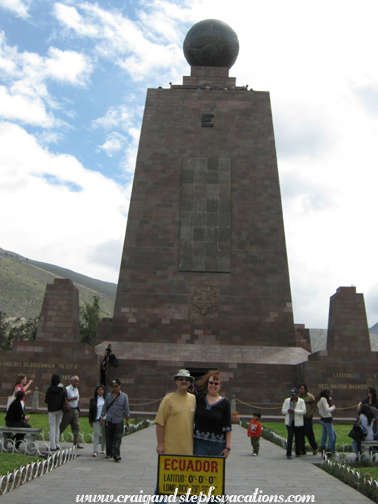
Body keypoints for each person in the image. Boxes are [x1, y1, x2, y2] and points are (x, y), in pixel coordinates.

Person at [155, 369, 196, 455]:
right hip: (170, 448)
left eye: (187, 379)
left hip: (187, 449)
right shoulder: (168, 399)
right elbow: (160, 423)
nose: (184, 381)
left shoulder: (193, 399)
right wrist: (160, 444)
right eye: (181, 379)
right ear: (176, 381)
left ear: (190, 382)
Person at [193, 370, 232, 458]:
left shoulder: (225, 403)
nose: (213, 385)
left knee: (215, 471)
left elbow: (228, 426)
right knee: (199, 470)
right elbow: (184, 397)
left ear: (220, 385)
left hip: (218, 445)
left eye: (216, 383)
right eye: (211, 383)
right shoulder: (199, 398)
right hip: (200, 443)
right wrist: (172, 396)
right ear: (207, 384)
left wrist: (227, 447)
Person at [100, 378, 130, 462]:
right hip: (109, 420)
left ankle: (116, 454)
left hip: (119, 420)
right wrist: (102, 416)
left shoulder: (124, 396)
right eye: (113, 386)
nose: (114, 388)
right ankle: (109, 453)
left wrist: (127, 419)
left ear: (120, 386)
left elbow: (126, 408)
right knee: (109, 437)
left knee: (117, 438)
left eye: (116, 386)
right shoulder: (108, 396)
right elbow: (105, 406)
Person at [282, 388, 306, 459]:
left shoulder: (301, 401)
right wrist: (288, 411)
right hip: (289, 421)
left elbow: (304, 411)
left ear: (297, 394)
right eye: (292, 395)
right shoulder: (287, 401)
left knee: (298, 437)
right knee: (290, 436)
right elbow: (283, 410)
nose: (293, 396)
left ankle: (297, 451)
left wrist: (295, 411)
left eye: (294, 395)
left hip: (298, 421)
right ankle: (288, 452)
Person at [59, 376, 83, 449]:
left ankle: (76, 443)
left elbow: (77, 398)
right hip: (68, 410)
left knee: (76, 427)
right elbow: (65, 399)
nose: (76, 383)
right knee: (62, 426)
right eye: (75, 381)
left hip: (75, 410)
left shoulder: (76, 389)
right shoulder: (67, 389)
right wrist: (71, 399)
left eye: (77, 382)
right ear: (71, 381)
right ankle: (54, 441)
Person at [45, 373, 65, 451]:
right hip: (60, 409)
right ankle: (57, 443)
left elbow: (47, 400)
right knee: (57, 426)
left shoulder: (50, 389)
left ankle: (52, 445)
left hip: (52, 409)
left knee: (52, 427)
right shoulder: (61, 388)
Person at [298, 383, 319, 455]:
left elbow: (314, 407)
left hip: (307, 417)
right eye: (300, 388)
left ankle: (315, 447)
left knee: (308, 433)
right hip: (301, 417)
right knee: (300, 434)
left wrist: (311, 414)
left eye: (302, 388)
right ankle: (303, 450)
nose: (300, 390)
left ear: (305, 389)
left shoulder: (310, 397)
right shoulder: (298, 397)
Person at [317, 388, 337, 456]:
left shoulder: (319, 400)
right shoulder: (324, 400)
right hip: (327, 419)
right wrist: (333, 407)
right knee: (332, 437)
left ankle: (323, 449)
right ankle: (329, 451)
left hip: (323, 419)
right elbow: (327, 410)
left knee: (324, 436)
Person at [89, 384, 106, 457]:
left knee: (104, 434)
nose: (100, 391)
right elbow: (90, 411)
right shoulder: (93, 400)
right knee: (96, 434)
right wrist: (90, 421)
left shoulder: (106, 399)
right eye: (99, 390)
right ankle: (95, 450)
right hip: (96, 418)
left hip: (104, 418)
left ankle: (103, 449)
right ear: (96, 391)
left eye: (101, 390)